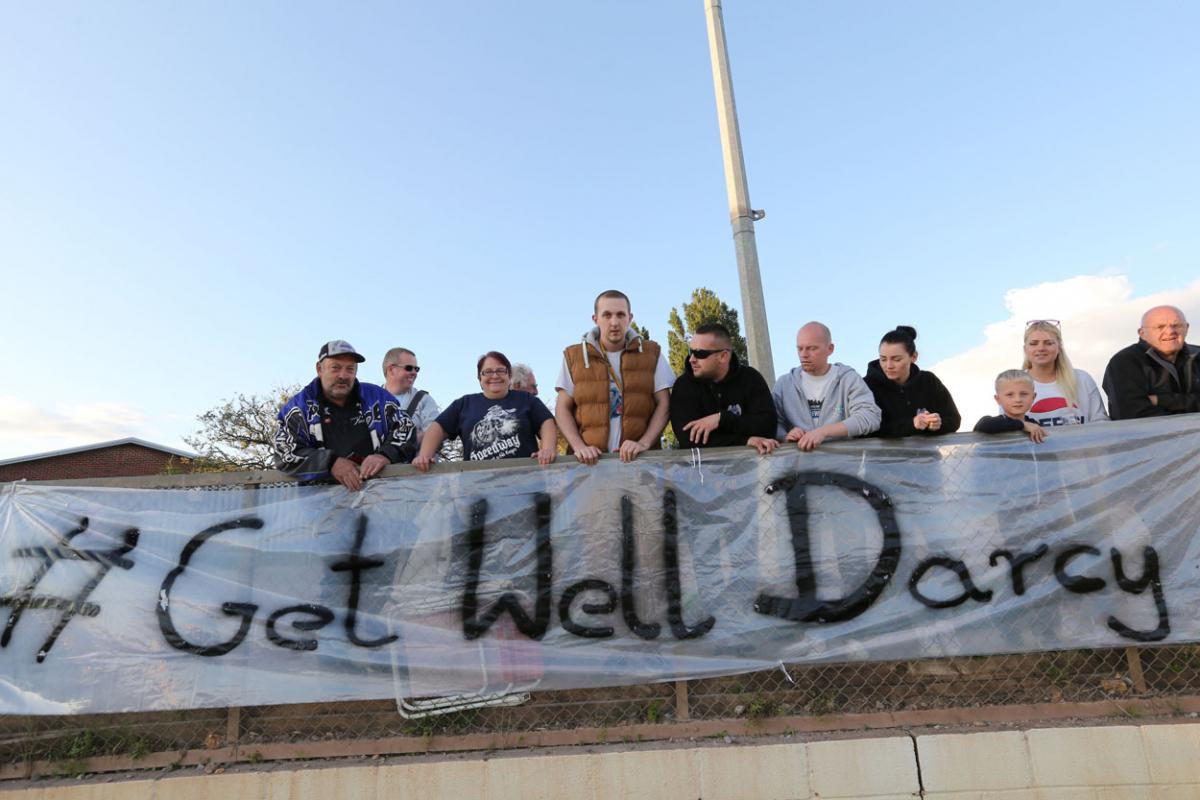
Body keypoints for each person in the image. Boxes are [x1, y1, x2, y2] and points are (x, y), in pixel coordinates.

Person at [274, 340, 417, 489]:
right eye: (335, 368)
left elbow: (406, 428)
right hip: (319, 503)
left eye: (350, 369)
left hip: (380, 498)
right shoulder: (298, 407)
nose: (343, 375)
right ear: (319, 369)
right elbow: (284, 452)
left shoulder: (378, 398)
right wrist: (331, 462)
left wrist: (385, 455)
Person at [555, 290, 674, 464]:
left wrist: (644, 443)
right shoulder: (574, 356)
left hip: (640, 463)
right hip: (590, 465)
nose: (614, 322)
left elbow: (664, 403)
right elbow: (562, 408)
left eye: (620, 315)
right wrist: (579, 447)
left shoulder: (652, 352)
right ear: (595, 319)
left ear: (630, 318)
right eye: (607, 315)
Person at [413, 351, 557, 470]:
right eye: (487, 372)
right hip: (479, 489)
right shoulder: (464, 404)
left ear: (509, 375)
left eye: (500, 370)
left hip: (526, 483)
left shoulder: (526, 399)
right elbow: (437, 427)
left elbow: (547, 422)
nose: (494, 376)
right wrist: (425, 455)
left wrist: (548, 449)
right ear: (479, 377)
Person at [668, 322, 778, 454]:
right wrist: (745, 441)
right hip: (702, 473)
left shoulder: (751, 379)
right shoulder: (683, 385)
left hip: (750, 471)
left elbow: (768, 427)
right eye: (690, 351)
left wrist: (722, 419)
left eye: (700, 353)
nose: (692, 359)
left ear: (723, 356)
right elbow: (689, 440)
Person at [772, 321, 881, 451]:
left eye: (812, 348)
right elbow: (773, 423)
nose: (804, 354)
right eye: (800, 348)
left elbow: (870, 416)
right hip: (797, 467)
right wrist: (785, 437)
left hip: (843, 467)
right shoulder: (784, 384)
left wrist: (824, 432)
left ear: (830, 349)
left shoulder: (848, 379)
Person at [1103, 305, 1200, 419]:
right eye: (1160, 327)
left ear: (1187, 328)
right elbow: (1131, 414)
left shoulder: (1198, 355)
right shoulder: (1124, 362)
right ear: (1142, 333)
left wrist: (1161, 400)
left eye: (1176, 325)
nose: (1170, 331)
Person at [864, 325, 961, 437]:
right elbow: (865, 429)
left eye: (897, 359)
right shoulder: (866, 386)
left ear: (914, 357)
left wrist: (938, 424)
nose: (888, 365)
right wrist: (912, 424)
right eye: (883, 359)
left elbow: (954, 419)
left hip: (928, 454)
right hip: (883, 455)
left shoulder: (929, 381)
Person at [1020, 320, 1108, 426]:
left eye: (1048, 343)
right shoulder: (1014, 384)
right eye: (1034, 344)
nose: (1041, 348)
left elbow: (1101, 423)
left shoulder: (1082, 379)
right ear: (1025, 349)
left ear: (1059, 348)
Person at [382, 347, 441, 443]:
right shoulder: (371, 399)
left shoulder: (424, 400)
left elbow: (435, 435)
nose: (414, 373)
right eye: (408, 368)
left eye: (416, 369)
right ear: (391, 370)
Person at [973, 369, 1047, 443]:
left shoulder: (1034, 425)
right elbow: (984, 425)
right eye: (1010, 395)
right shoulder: (993, 423)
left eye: (1024, 394)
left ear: (1033, 397)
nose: (1018, 400)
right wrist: (1022, 425)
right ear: (998, 399)